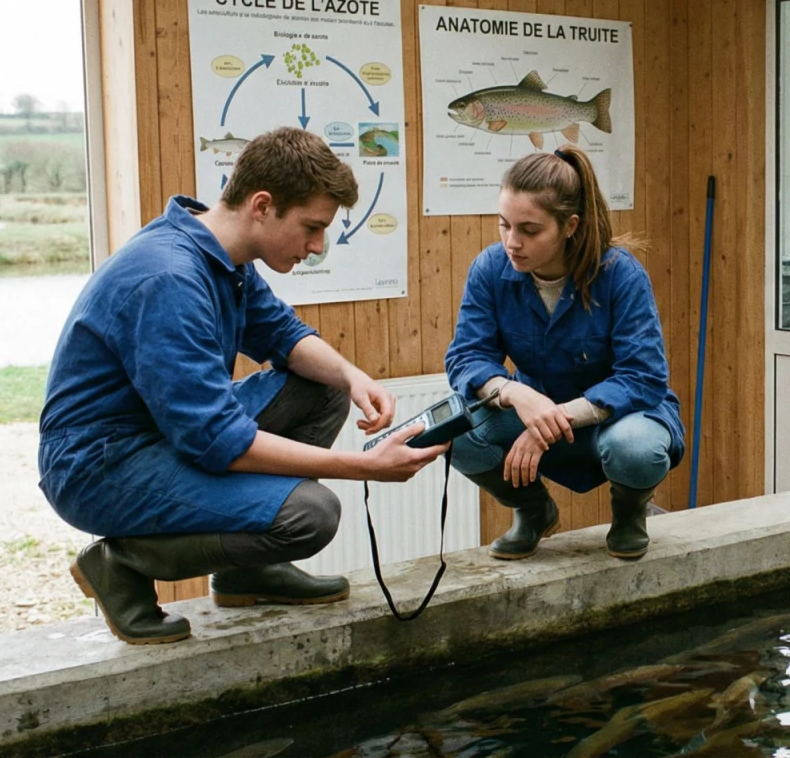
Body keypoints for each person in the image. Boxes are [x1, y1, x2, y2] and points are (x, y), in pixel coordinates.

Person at [38, 127, 447, 645]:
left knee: (322, 387)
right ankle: (121, 563)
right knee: (311, 515)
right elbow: (216, 441)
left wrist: (352, 375)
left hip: (161, 434)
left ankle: (245, 572)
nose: (318, 246)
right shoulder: (169, 278)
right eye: (312, 227)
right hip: (97, 465)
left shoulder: (221, 256)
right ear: (262, 205)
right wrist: (365, 467)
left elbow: (283, 333)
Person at [445, 145, 684, 562]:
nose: (511, 242)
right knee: (454, 433)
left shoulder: (621, 274)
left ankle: (629, 513)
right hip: (534, 406)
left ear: (569, 225)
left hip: (623, 416)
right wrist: (516, 395)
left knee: (635, 449)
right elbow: (466, 357)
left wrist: (550, 422)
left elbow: (644, 377)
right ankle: (534, 511)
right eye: (504, 225)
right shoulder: (488, 269)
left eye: (529, 230)